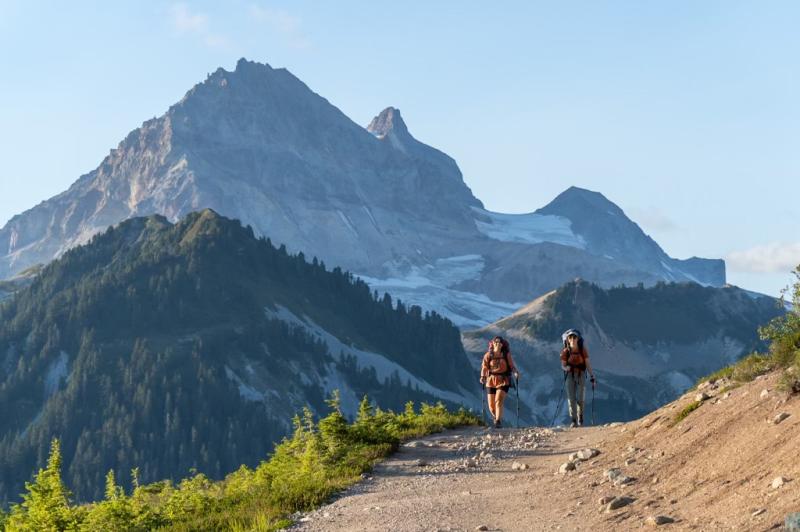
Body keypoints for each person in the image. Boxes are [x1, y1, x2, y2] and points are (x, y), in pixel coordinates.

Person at [480, 336, 520, 428]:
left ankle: (498, 421)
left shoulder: (506, 355)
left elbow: (511, 366)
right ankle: (496, 418)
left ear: (502, 345)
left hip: (503, 380)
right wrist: (482, 376)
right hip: (490, 380)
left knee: (498, 400)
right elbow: (484, 367)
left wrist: (515, 373)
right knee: (491, 406)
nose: (497, 344)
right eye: (495, 342)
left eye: (499, 343)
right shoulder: (488, 355)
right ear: (492, 344)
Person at [560, 329, 596, 428]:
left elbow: (587, 364)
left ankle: (580, 417)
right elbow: (562, 365)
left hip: (580, 375)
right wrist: (565, 368)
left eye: (574, 337)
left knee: (581, 397)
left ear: (577, 338)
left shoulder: (582, 350)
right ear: (567, 339)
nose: (572, 339)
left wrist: (592, 376)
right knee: (571, 398)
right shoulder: (565, 352)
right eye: (570, 337)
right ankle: (574, 420)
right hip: (570, 376)